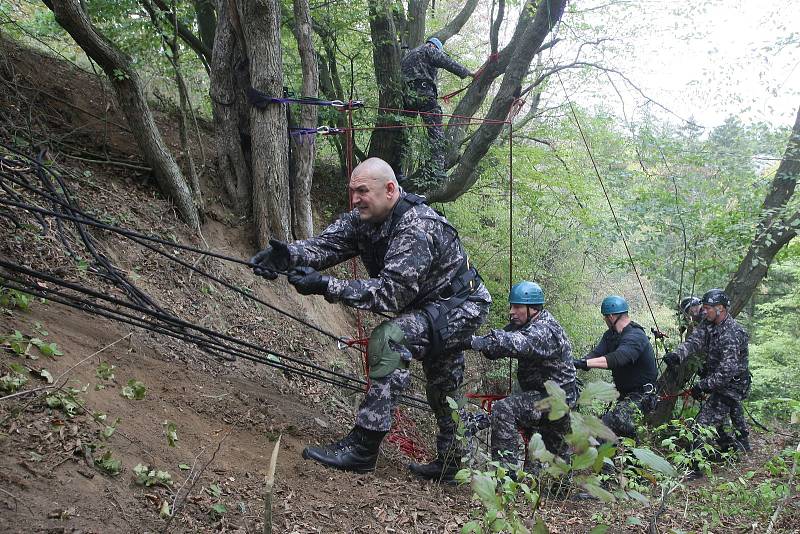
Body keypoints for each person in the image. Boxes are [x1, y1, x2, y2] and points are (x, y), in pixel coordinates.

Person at [250, 157, 491, 480]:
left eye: (362, 191)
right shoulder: (364, 218)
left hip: (461, 306)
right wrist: (288, 256)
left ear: (390, 189)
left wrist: (326, 285)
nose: (355, 199)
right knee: (443, 383)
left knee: (390, 339)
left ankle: (363, 448)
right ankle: (453, 462)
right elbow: (328, 245)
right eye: (352, 192)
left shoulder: (417, 226)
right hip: (430, 305)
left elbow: (392, 295)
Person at [469, 281, 577, 472]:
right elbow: (499, 343)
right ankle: (550, 486)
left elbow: (518, 343)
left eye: (517, 307)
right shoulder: (525, 324)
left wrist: (478, 341)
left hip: (554, 398)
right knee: (554, 450)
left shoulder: (545, 330)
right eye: (511, 306)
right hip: (548, 396)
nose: (511, 312)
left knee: (505, 409)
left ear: (532, 308)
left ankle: (505, 476)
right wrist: (477, 342)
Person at [664, 289, 751, 455]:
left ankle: (695, 465)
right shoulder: (709, 323)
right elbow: (694, 341)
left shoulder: (731, 334)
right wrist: (677, 355)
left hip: (732, 385)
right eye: (703, 307)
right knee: (719, 418)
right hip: (719, 382)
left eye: (707, 308)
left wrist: (702, 386)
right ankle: (731, 449)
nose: (703, 311)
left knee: (702, 425)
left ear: (720, 309)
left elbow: (727, 371)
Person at [573, 295, 658, 438]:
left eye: (605, 318)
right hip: (625, 396)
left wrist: (584, 363)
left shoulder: (636, 336)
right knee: (623, 439)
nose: (605, 321)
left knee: (604, 429)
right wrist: (576, 362)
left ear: (611, 317)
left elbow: (618, 358)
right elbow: (596, 353)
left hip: (642, 397)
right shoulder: (611, 335)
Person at [398, 37, 474, 184]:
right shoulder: (429, 50)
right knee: (436, 133)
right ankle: (437, 170)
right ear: (434, 47)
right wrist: (469, 73)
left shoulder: (409, 55)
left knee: (404, 134)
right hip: (424, 93)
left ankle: (397, 170)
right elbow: (447, 62)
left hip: (407, 97)